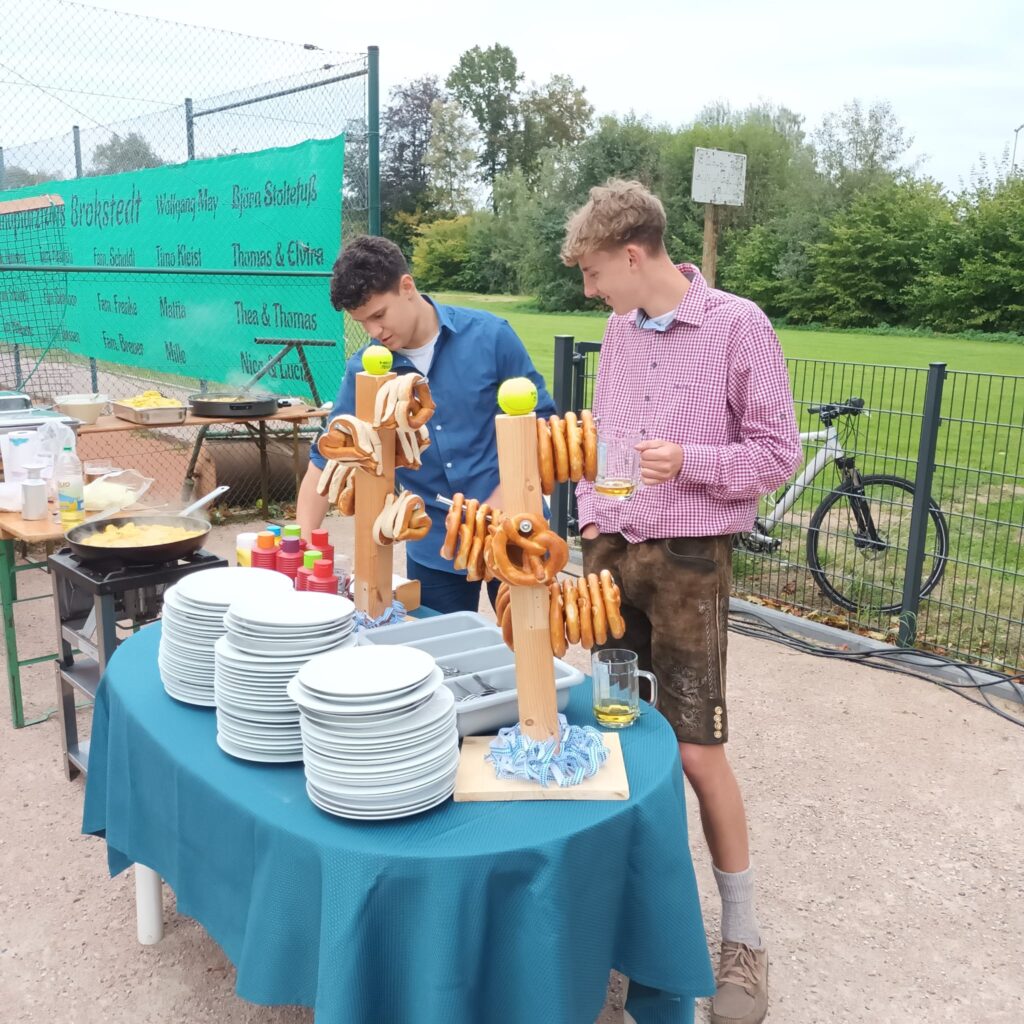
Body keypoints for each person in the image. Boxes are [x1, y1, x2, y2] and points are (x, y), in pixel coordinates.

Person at [562, 181, 801, 1024]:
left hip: (691, 562)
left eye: (594, 273)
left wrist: (689, 460)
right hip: (610, 552)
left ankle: (743, 939)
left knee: (697, 753)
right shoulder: (619, 330)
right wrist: (591, 517)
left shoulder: (740, 325)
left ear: (634, 256)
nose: (589, 290)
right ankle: (637, 920)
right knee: (618, 731)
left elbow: (777, 454)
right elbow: (604, 439)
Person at [297, 235, 557, 615]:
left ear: (407, 286)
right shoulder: (364, 370)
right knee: (441, 650)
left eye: (379, 315)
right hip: (434, 546)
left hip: (516, 527)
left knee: (529, 647)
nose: (373, 332)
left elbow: (545, 426)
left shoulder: (491, 336)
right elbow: (326, 459)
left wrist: (497, 506)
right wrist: (303, 549)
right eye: (362, 322)